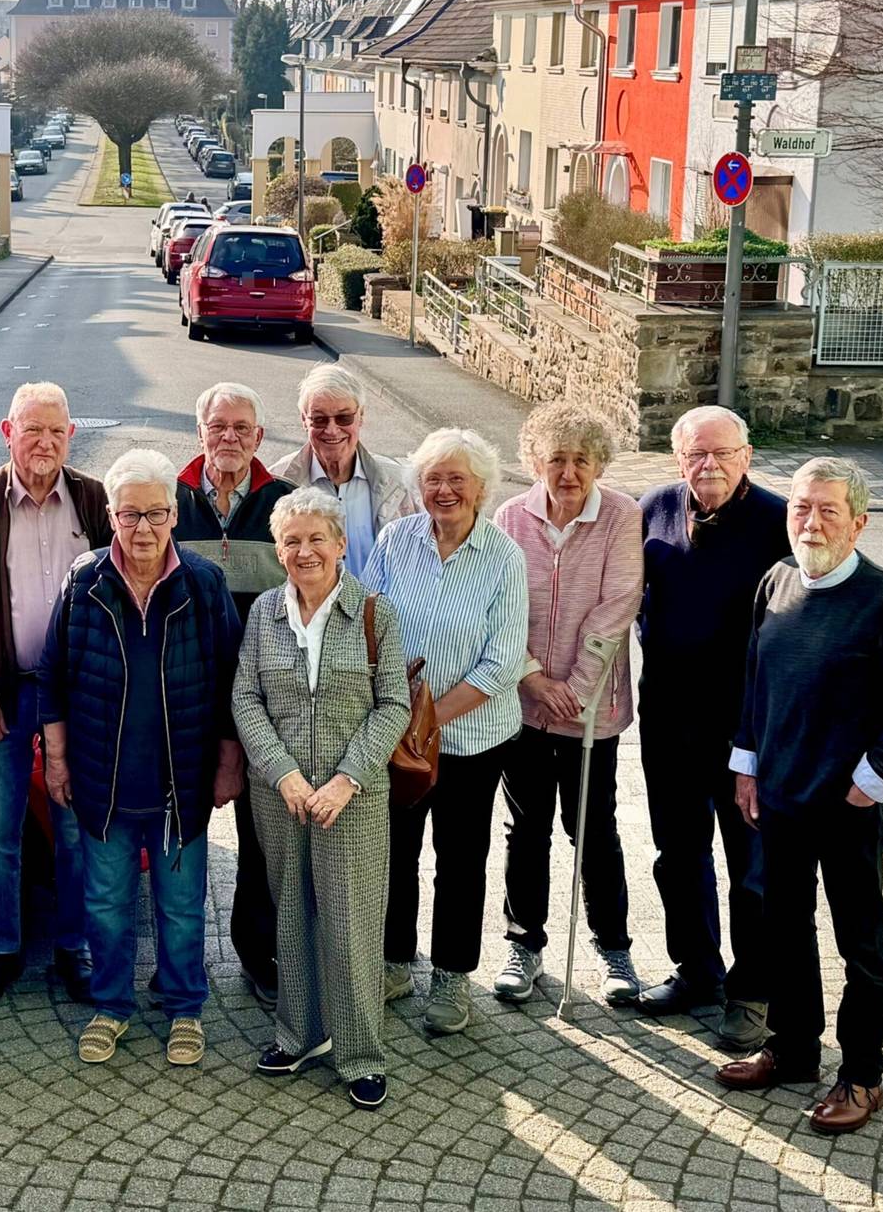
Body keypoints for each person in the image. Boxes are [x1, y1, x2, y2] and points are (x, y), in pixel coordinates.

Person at [718, 458, 883, 1135]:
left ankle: (863, 1075)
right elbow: (756, 679)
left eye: (827, 511)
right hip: (778, 798)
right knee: (784, 928)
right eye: (800, 508)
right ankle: (793, 1047)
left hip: (846, 807)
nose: (809, 522)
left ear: (860, 523)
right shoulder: (776, 581)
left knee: (860, 941)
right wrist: (747, 764)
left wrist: (868, 784)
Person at [42, 449, 244, 1067]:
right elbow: (53, 676)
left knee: (181, 906)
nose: (144, 528)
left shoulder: (203, 584)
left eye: (156, 513)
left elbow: (233, 680)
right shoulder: (85, 580)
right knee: (105, 904)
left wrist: (229, 762)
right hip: (103, 783)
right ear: (110, 516)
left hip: (179, 783)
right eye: (130, 515)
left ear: (174, 515)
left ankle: (185, 1008)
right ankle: (111, 1005)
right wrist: (56, 759)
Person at [231, 488, 412, 1111]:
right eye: (291, 541)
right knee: (292, 915)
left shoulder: (372, 613)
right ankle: (299, 1034)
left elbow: (395, 705)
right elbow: (245, 700)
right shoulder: (263, 616)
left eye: (316, 539)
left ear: (340, 544)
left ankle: (360, 1051)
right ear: (278, 550)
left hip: (352, 798)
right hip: (280, 797)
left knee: (351, 923)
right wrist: (282, 773)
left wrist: (345, 779)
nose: (304, 551)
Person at [0, 382, 113, 1008]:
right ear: (7, 432)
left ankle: (75, 949)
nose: (44, 442)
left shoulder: (93, 499)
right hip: (4, 690)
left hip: (73, 695)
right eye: (31, 430)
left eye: (56, 431)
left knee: (74, 831)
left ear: (71, 435)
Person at [633, 404, 791, 1052]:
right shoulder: (654, 508)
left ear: (747, 456)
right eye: (697, 453)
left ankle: (753, 992)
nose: (710, 465)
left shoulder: (779, 521)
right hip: (668, 714)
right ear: (678, 459)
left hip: (746, 726)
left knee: (750, 864)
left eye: (723, 453)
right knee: (678, 851)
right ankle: (697, 970)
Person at [364, 428, 528, 1038]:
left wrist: (427, 718)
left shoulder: (505, 557)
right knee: (396, 853)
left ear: (482, 487)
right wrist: (394, 713)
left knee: (461, 858)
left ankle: (452, 977)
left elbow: (502, 662)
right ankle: (394, 962)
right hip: (397, 736)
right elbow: (369, 622)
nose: (444, 489)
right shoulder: (396, 539)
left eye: (457, 478)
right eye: (433, 478)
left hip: (472, 738)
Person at [491, 403, 644, 1008]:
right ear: (535, 462)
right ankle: (523, 945)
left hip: (592, 711)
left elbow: (617, 605)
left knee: (593, 828)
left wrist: (575, 690)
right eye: (556, 458)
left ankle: (615, 952)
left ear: (598, 464)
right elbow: (499, 606)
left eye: (582, 459)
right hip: (525, 705)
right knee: (525, 829)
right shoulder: (509, 516)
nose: (569, 472)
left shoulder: (621, 516)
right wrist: (533, 679)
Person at [175, 381, 295, 1007]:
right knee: (180, 839)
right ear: (201, 432)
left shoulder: (287, 504)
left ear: (259, 437)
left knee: (260, 840)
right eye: (217, 425)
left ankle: (259, 957)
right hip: (185, 703)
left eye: (240, 428)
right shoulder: (169, 502)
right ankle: (178, 967)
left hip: (264, 706)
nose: (228, 438)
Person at [277, 365, 417, 582]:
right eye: (319, 419)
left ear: (361, 416)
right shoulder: (278, 483)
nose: (332, 430)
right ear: (304, 420)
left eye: (344, 418)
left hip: (381, 614)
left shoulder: (399, 482)